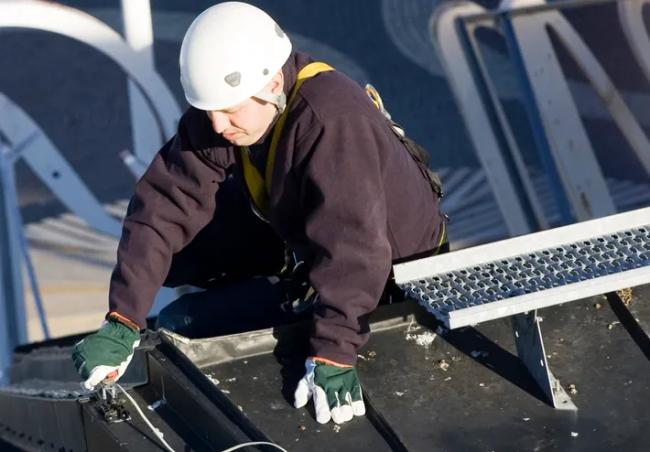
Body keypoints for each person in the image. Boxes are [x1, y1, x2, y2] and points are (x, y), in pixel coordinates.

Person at [72, 1, 446, 426]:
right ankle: (264, 282)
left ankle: (288, 303)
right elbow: (161, 207)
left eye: (229, 110)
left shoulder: (332, 123)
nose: (217, 125)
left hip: (387, 281)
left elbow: (355, 249)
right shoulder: (234, 110)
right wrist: (123, 318)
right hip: (306, 234)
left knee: (182, 321)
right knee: (170, 251)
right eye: (210, 110)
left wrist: (334, 351)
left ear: (271, 84)